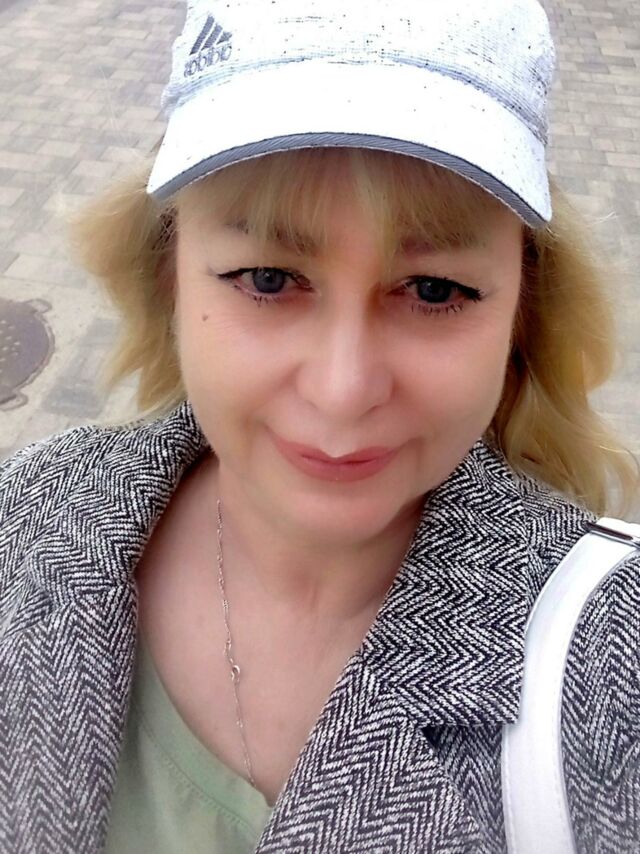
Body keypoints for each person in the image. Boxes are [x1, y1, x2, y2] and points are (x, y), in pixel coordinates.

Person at [0, 0, 638, 852]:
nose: (342, 392)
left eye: (435, 290)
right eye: (268, 278)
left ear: (523, 309)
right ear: (168, 276)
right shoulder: (25, 514)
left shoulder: (606, 655)